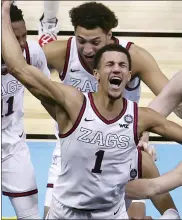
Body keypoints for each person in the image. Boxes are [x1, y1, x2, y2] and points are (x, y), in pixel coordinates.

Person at [2, 4, 182, 217]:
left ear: (130, 73)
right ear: (96, 75)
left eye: (121, 66)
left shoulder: (140, 117)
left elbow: (173, 95)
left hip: (122, 159)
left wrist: (158, 186)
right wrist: (3, 12)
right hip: (69, 174)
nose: (87, 50)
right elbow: (18, 66)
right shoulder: (73, 103)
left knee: (144, 196)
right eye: (81, 41)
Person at [1, 4, 50, 219]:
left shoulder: (32, 52)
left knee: (30, 215)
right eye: (15, 38)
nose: (22, 44)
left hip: (12, 146)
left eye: (24, 36)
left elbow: (51, 96)